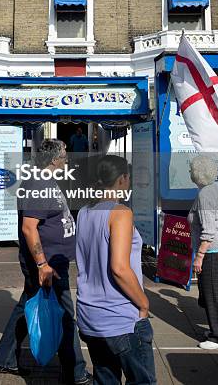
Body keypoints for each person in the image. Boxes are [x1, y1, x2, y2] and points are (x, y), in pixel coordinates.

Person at [0, 139, 91, 385]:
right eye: (65, 154)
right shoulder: (37, 182)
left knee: (26, 307)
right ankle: (75, 372)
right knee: (66, 314)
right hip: (48, 265)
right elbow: (29, 228)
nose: (67, 157)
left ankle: (3, 359)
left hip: (52, 261)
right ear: (55, 159)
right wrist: (41, 265)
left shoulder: (45, 179)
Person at [76, 155, 156, 385]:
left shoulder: (84, 212)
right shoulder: (120, 213)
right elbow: (120, 269)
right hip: (120, 317)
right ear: (122, 179)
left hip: (90, 315)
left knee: (105, 377)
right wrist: (143, 303)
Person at [187, 155, 218, 350]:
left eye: (191, 170)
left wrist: (199, 256)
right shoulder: (215, 190)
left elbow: (209, 230)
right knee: (216, 291)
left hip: (213, 250)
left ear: (198, 173)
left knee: (212, 293)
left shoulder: (205, 194)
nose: (190, 172)